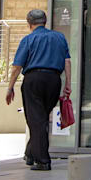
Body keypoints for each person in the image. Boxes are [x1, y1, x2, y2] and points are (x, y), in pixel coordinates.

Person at [5, 9, 72, 170]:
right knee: (40, 118)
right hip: (54, 80)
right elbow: (67, 62)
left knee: (37, 120)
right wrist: (68, 84)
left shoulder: (29, 40)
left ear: (29, 24)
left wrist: (10, 87)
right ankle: (30, 154)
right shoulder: (59, 37)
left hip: (34, 80)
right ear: (45, 22)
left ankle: (43, 161)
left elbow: (17, 66)